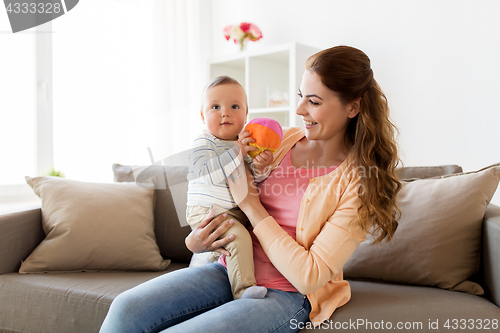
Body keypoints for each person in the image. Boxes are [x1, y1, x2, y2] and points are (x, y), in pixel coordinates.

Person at [99, 45, 401, 333]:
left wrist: (251, 206)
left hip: (286, 294)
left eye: (314, 101)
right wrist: (196, 242)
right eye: (300, 96)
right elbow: (217, 183)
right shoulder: (282, 140)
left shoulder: (360, 184)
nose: (298, 109)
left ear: (353, 106)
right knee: (126, 308)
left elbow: (310, 276)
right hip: (226, 270)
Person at [186, 75, 271, 299]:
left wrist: (262, 166)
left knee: (252, 238)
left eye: (235, 106)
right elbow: (208, 174)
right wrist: (238, 153)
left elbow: (256, 182)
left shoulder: (245, 144)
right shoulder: (204, 142)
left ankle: (219, 264)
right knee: (237, 237)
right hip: (207, 211)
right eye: (215, 107)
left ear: (246, 115)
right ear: (203, 117)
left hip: (235, 210)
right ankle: (243, 291)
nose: (225, 112)